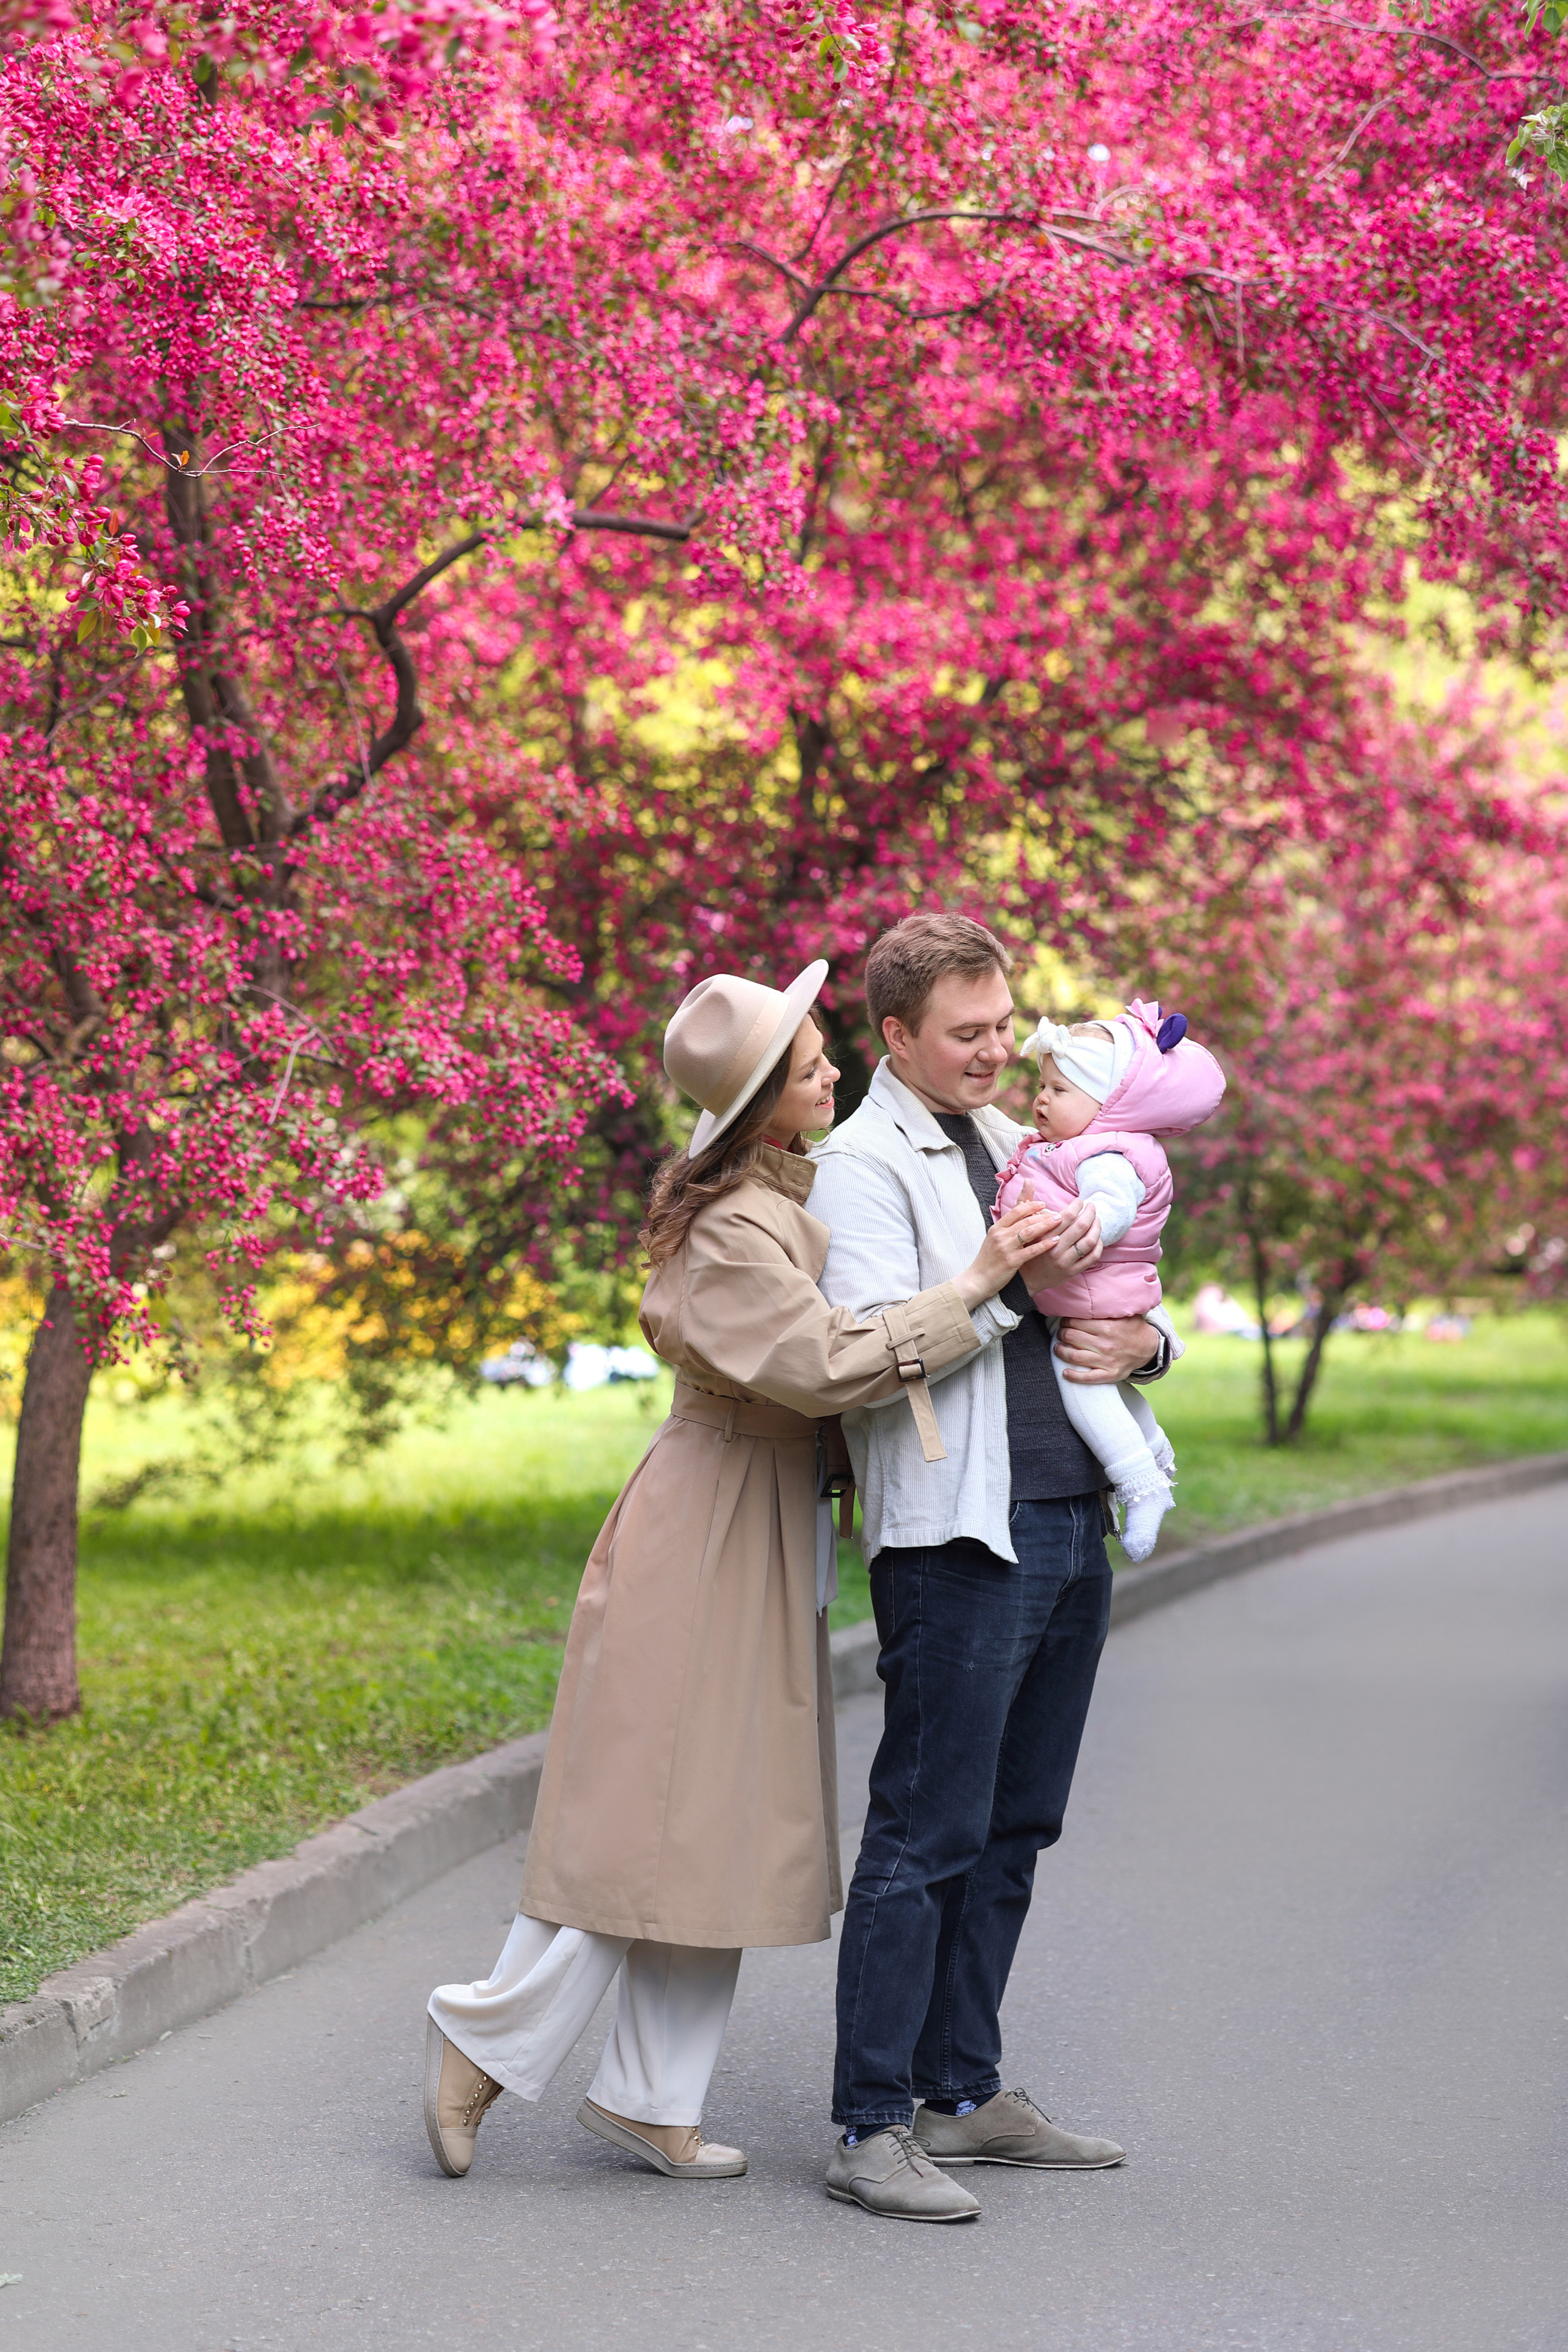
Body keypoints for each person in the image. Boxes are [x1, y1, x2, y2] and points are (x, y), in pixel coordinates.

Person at [421, 958, 1056, 2187]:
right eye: (812, 1060)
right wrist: (973, 1287)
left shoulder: (775, 1190)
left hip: (762, 1518)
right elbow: (820, 1363)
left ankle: (651, 2096)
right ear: (764, 1094)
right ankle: (479, 2038)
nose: (834, 1070)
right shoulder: (727, 1229)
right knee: (643, 1812)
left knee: (711, 1818)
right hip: (706, 1524)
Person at [810, 913, 1174, 2223]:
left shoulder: (1028, 1137)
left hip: (1068, 1511)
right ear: (893, 1035)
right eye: (965, 1034)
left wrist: (1149, 1349)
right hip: (959, 1535)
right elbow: (857, 1345)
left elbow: (1117, 1279)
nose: (994, 1049)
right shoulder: (856, 1165)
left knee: (1018, 1824)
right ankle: (866, 2125)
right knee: (927, 1829)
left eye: (1002, 1024)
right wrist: (992, 1281)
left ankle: (958, 2094)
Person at [992, 1001, 1226, 1559]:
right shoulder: (1076, 1145)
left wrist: (1078, 1228)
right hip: (1099, 1295)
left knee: (1082, 1379)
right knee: (1109, 1379)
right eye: (1042, 1085)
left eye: (1059, 1090)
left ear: (1105, 1105)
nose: (1041, 1099)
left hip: (1093, 1294)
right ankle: (1156, 1454)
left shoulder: (1107, 1153)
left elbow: (1113, 1206)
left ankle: (1138, 1483)